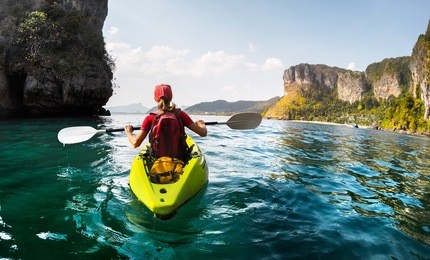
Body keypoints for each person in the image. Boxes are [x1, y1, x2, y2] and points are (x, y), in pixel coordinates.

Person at [124, 84, 207, 159]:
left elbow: (135, 143)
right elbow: (203, 133)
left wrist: (128, 132)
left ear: (155, 99)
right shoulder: (181, 115)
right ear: (171, 97)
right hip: (179, 157)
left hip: (157, 158)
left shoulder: (150, 118)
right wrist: (201, 124)